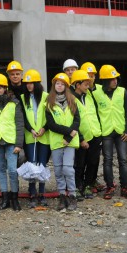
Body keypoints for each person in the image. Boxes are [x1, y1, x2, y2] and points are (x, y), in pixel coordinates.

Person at [92, 65, 127, 200]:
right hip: (106, 132)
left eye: (116, 78)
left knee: (123, 160)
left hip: (121, 131)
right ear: (105, 80)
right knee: (107, 160)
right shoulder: (96, 94)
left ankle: (125, 187)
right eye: (111, 79)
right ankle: (110, 186)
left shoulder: (122, 92)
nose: (115, 81)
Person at [0, 73, 24, 211]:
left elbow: (19, 124)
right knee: (1, 170)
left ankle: (14, 198)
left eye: (0, 88)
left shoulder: (14, 103)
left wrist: (18, 144)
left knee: (13, 170)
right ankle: (5, 199)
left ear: (5, 88)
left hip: (11, 142)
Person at [46, 73, 80, 211]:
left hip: (70, 142)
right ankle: (62, 196)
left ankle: (72, 195)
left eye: (62, 84)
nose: (59, 86)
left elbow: (77, 121)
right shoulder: (49, 103)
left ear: (66, 86)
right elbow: (51, 124)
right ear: (54, 86)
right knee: (59, 170)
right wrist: (68, 132)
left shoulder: (73, 101)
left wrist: (69, 137)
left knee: (68, 169)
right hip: (56, 142)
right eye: (57, 84)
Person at [20, 69, 50, 207]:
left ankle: (42, 193)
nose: (29, 85)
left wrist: (44, 128)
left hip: (44, 136)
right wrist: (31, 129)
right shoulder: (22, 98)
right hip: (30, 136)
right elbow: (23, 118)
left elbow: (50, 116)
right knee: (32, 164)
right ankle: (32, 192)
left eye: (31, 83)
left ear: (37, 83)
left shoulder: (46, 97)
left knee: (42, 164)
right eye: (27, 83)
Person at [71, 70, 103, 200]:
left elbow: (96, 113)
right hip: (81, 137)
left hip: (95, 134)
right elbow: (71, 121)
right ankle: (78, 186)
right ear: (77, 85)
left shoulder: (89, 95)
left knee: (93, 162)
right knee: (80, 164)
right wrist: (81, 139)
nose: (88, 86)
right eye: (85, 84)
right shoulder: (71, 99)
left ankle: (88, 185)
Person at [80, 61, 105, 194]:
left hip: (97, 131)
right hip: (84, 132)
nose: (91, 78)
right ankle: (81, 185)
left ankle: (90, 183)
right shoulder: (80, 93)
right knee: (81, 162)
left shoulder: (100, 89)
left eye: (93, 75)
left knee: (94, 161)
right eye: (88, 75)